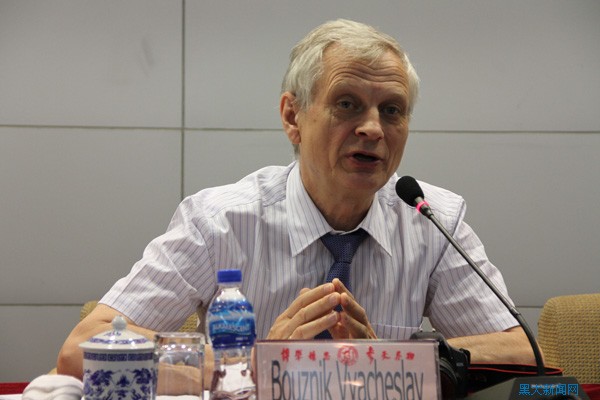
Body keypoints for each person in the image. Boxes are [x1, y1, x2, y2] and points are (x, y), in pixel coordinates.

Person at [57, 19, 535, 380]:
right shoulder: (219, 221)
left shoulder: (430, 218)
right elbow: (82, 349)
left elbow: (523, 355)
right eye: (347, 104)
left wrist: (391, 359)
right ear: (293, 117)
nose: (373, 128)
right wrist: (253, 361)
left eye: (392, 110)